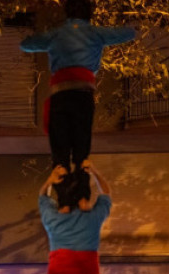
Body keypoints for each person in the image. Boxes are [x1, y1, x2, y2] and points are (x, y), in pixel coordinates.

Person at [20, 0, 135, 172]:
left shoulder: (56, 34)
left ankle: (64, 182)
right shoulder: (95, 33)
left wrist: (42, 39)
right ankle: (81, 184)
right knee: (81, 154)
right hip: (83, 93)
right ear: (89, 13)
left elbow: (26, 45)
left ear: (68, 13)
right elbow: (128, 33)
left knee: (60, 157)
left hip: (60, 93)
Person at [39, 162, 111, 274]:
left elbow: (42, 196)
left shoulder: (52, 219)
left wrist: (50, 180)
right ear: (83, 200)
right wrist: (94, 170)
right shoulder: (93, 218)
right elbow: (107, 193)